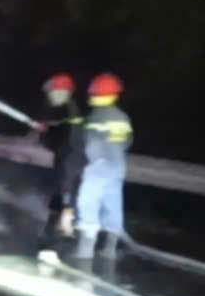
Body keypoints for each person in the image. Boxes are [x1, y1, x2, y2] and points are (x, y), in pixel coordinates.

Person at [74, 73, 134, 260]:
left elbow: (86, 143)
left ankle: (85, 253)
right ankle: (110, 249)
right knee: (113, 203)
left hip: (99, 166)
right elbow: (127, 142)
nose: (91, 96)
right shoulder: (122, 117)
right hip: (118, 166)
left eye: (93, 93)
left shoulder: (95, 117)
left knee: (88, 202)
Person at [35, 73, 85, 240]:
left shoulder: (71, 113)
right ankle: (53, 234)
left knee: (64, 201)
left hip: (69, 168)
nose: (50, 96)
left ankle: (60, 236)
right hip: (66, 166)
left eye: (52, 92)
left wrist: (45, 134)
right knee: (59, 200)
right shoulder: (68, 111)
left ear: (63, 92)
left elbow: (60, 142)